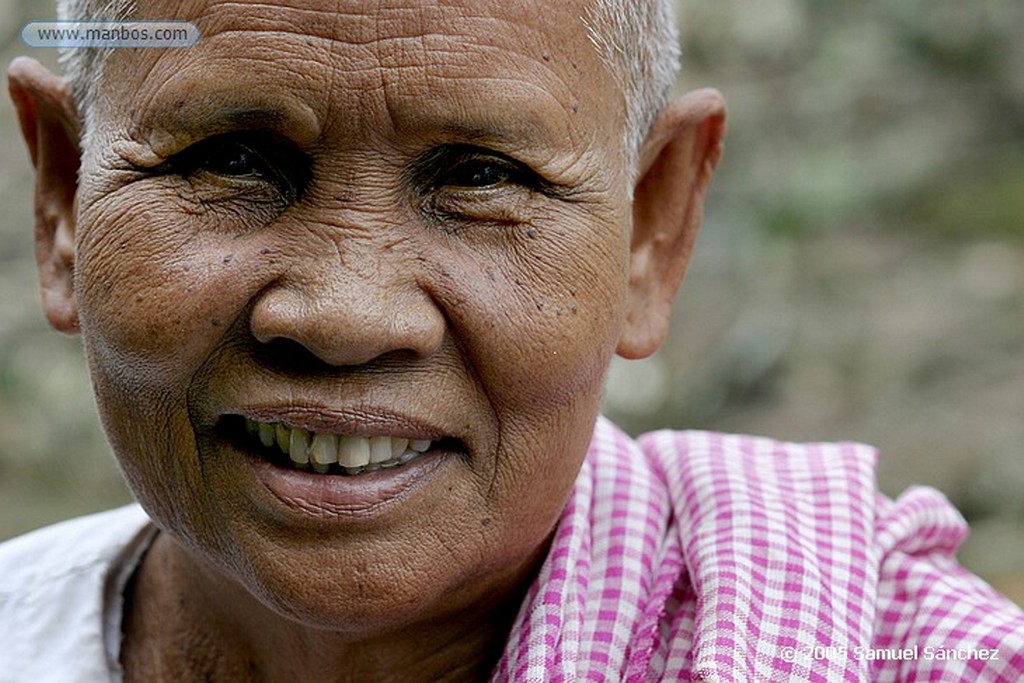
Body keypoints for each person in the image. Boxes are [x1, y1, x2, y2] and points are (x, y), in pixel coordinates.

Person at [2, 0, 1022, 680]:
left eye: (480, 177)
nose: (349, 314)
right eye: (230, 158)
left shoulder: (907, 654)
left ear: (651, 232)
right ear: (61, 201)